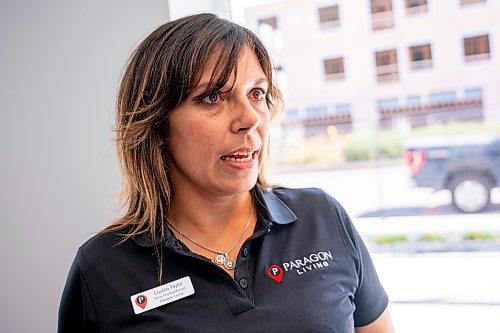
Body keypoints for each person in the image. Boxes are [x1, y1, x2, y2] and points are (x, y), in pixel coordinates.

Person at [58, 13, 394, 333]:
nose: (250, 119)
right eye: (213, 97)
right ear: (158, 124)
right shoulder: (102, 268)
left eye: (257, 94)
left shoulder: (321, 217)